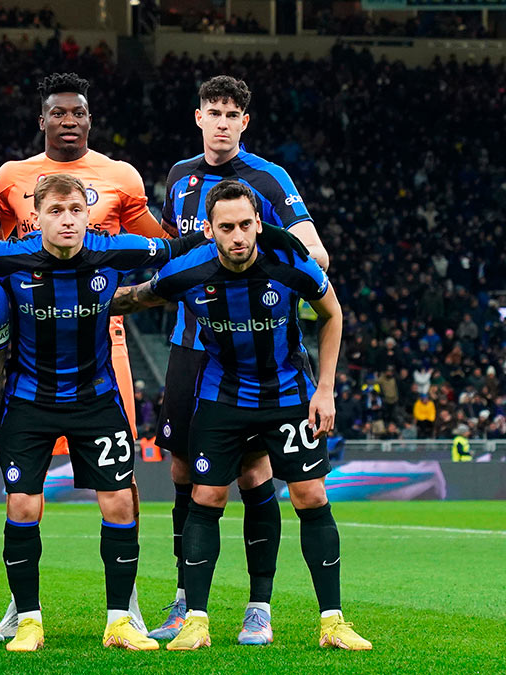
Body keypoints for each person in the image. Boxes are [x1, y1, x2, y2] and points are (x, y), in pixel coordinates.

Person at [0, 175, 206, 651]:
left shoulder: (115, 249)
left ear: (88, 215)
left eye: (75, 210)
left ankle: (119, 621)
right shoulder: (8, 255)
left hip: (96, 399)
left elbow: (175, 248)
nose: (67, 220)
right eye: (55, 211)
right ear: (37, 217)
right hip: (29, 401)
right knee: (22, 505)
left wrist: (236, 238)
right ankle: (28, 621)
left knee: (120, 502)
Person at [110, 179, 370, 651]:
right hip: (221, 397)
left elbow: (332, 313)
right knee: (206, 496)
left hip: (287, 394)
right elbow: (134, 298)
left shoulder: (290, 261)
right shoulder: (188, 270)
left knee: (311, 496)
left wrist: (326, 389)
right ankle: (196, 621)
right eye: (226, 227)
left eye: (246, 225)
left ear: (259, 224)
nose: (238, 236)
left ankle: (332, 622)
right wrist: (76, 298)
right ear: (209, 230)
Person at [148, 75, 332, 644]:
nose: (222, 123)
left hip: (252, 351)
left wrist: (271, 251)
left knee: (255, 473)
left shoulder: (269, 179)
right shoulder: (179, 177)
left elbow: (314, 252)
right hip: (190, 344)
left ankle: (259, 605)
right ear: (198, 117)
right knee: (183, 473)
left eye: (233, 114)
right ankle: (185, 600)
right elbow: (175, 255)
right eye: (214, 112)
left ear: (244, 122)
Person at [0, 72, 163, 635]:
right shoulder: (10, 177)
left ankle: (126, 603)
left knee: (122, 482)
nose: (69, 121)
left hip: (103, 342)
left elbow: (160, 245)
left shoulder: (121, 176)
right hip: (31, 341)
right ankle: (21, 604)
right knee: (24, 493)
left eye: (79, 113)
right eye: (59, 113)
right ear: (42, 119)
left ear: (90, 119)